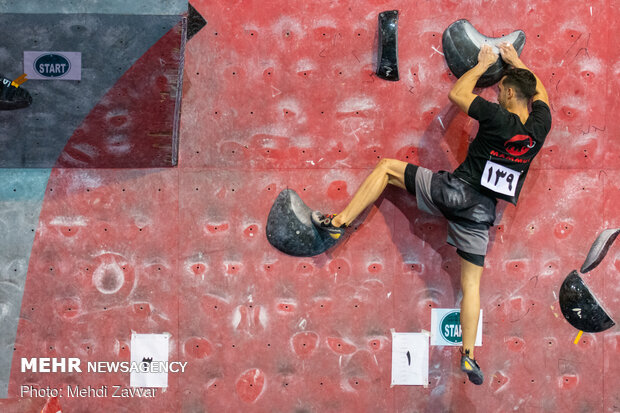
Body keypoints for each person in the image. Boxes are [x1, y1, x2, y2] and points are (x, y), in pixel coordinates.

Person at [311, 43, 551, 385]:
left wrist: (482, 66)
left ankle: (338, 224)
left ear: (510, 93)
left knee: (387, 168)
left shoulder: (497, 117)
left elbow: (458, 93)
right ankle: (468, 355)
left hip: (453, 193)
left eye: (501, 90)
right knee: (471, 285)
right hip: (481, 214)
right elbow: (539, 91)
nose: (497, 94)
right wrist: (517, 62)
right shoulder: (539, 128)